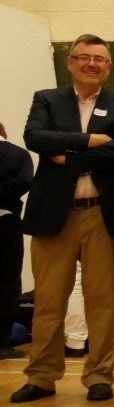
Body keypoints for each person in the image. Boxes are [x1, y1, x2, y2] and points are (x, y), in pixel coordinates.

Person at [13, 34, 114, 404]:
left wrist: (67, 154)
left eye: (99, 59)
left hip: (102, 214)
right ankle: (42, 376)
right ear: (70, 62)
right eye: (84, 57)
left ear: (108, 67)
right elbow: (35, 137)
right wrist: (90, 140)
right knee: (49, 302)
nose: (91, 64)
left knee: (102, 302)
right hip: (55, 214)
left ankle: (99, 375)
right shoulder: (46, 99)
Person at [0, 122, 34, 360]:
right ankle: (2, 342)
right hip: (6, 221)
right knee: (8, 281)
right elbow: (24, 183)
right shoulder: (18, 155)